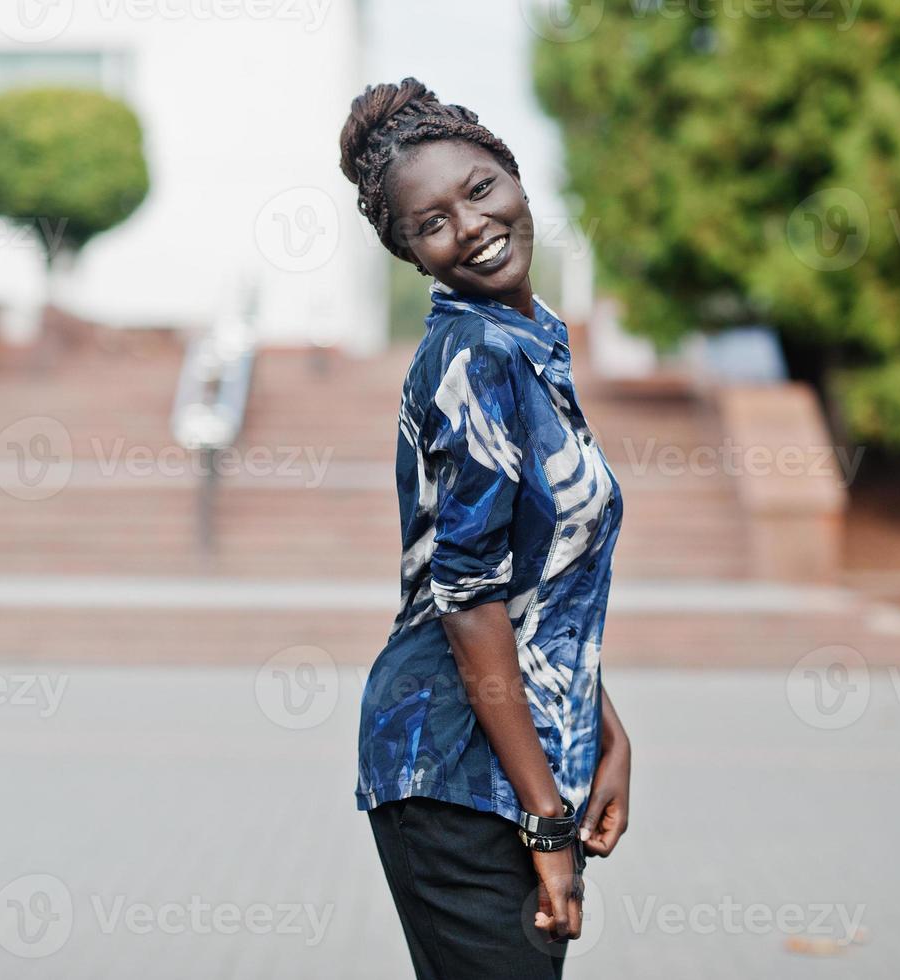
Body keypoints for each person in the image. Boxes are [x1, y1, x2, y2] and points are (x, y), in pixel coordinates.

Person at [338, 77, 633, 980]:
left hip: (513, 753)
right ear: (410, 254)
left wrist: (604, 725)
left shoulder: (526, 341)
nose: (468, 225)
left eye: (477, 190)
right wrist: (544, 819)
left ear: (513, 176)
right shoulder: (475, 358)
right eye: (431, 223)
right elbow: (468, 604)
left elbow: (531, 583)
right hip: (456, 770)